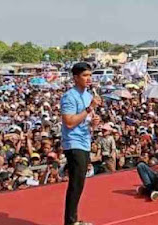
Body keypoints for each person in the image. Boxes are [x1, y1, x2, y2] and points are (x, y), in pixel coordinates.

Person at [61, 62, 101, 225]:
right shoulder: (69, 96)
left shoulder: (88, 95)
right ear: (75, 77)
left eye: (90, 75)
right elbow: (69, 122)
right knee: (76, 183)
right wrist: (89, 109)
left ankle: (74, 220)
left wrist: (93, 122)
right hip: (73, 142)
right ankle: (70, 222)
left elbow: (85, 120)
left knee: (80, 182)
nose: (88, 78)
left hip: (85, 141)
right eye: (85, 75)